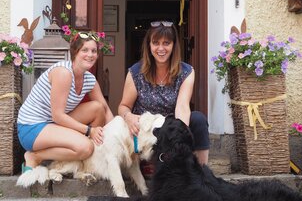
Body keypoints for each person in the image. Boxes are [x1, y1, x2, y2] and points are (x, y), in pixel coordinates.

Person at [17, 31, 114, 174]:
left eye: (94, 51)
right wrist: (89, 131)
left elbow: (105, 111)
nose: (90, 54)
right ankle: (35, 156)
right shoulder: (63, 73)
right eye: (85, 50)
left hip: (53, 124)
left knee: (98, 108)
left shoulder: (89, 79)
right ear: (75, 52)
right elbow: (58, 116)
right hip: (32, 127)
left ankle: (88, 160)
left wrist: (117, 134)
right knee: (86, 147)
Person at [118, 21, 209, 167]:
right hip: (146, 130)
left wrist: (178, 136)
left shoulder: (186, 71)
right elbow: (123, 106)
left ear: (173, 45)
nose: (161, 48)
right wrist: (128, 117)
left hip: (170, 128)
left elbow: (182, 106)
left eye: (166, 43)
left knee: (198, 119)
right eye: (156, 43)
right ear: (149, 45)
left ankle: (201, 172)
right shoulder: (135, 72)